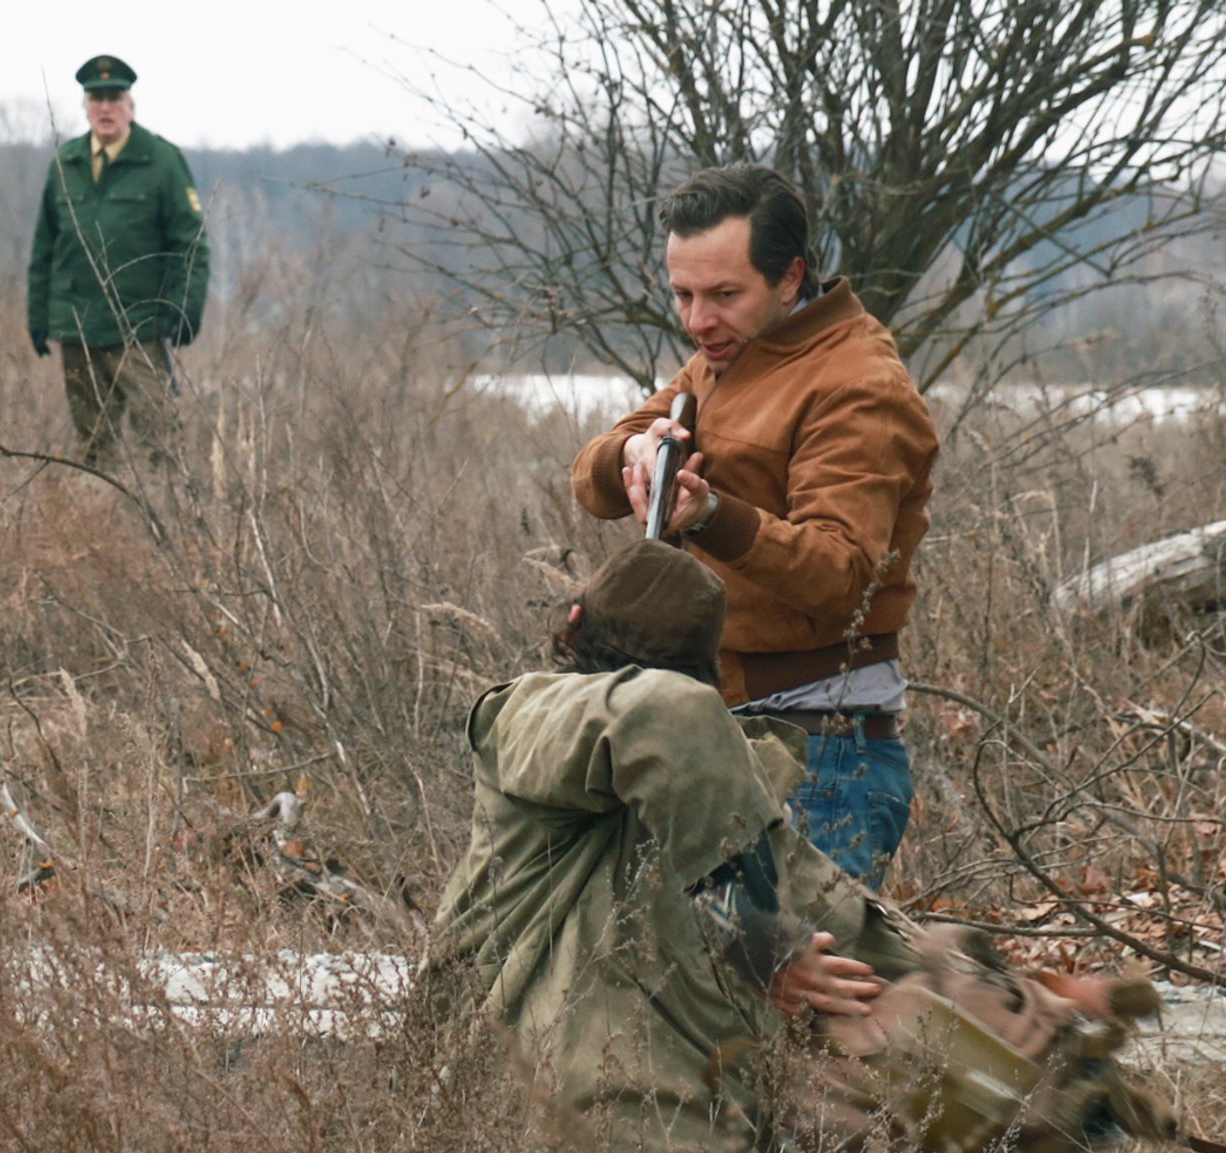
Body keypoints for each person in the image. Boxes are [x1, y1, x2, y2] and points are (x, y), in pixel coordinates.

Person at [414, 542, 1167, 1151]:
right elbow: (661, 713)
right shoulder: (533, 717)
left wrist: (1030, 1005)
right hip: (504, 1109)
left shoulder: (724, 797)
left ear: (573, 623)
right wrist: (755, 933)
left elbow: (847, 928)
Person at [570, 163, 939, 886]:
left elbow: (841, 575)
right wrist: (634, 452)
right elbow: (591, 477)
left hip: (821, 754)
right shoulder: (726, 354)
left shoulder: (858, 383)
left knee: (795, 992)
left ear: (790, 277)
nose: (696, 319)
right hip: (718, 732)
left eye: (723, 294)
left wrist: (709, 514)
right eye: (683, 293)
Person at [27, 54, 209, 466]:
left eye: (113, 97)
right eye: (96, 99)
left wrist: (187, 308)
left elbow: (191, 244)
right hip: (78, 326)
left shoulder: (161, 161)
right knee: (93, 445)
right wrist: (38, 316)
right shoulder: (66, 162)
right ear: (85, 106)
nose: (104, 108)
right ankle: (103, 524)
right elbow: (44, 249)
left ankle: (166, 521)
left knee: (161, 435)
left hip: (138, 327)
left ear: (130, 105)